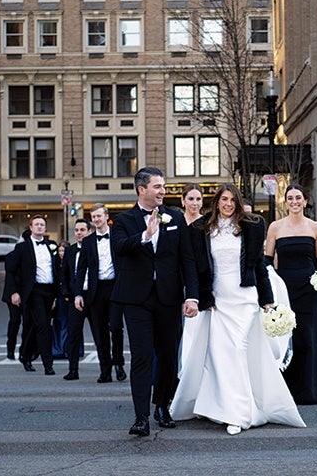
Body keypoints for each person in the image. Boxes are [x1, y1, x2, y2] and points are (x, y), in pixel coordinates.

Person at [171, 183, 305, 435]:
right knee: (219, 355)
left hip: (244, 299)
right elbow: (193, 267)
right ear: (216, 202)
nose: (228, 204)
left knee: (237, 350)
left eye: (232, 199)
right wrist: (197, 298)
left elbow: (259, 266)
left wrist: (267, 301)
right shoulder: (200, 229)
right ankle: (222, 407)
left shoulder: (253, 226)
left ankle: (239, 413)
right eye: (224, 199)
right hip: (218, 299)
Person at [111, 167, 199, 437]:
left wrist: (191, 295)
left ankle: (162, 404)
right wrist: (146, 235)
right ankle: (141, 417)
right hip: (136, 299)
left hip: (168, 297)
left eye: (163, 186)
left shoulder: (175, 217)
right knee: (141, 356)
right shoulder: (124, 220)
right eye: (158, 187)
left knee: (168, 355)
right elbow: (121, 247)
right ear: (142, 190)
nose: (163, 191)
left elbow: (187, 259)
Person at [264, 184, 317, 405]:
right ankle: (285, 392)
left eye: (298, 197)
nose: (294, 201)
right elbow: (267, 260)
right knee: (284, 337)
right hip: (283, 288)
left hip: (309, 290)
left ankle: (310, 391)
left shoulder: (315, 227)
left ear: (304, 201)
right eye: (290, 197)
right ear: (285, 201)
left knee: (308, 338)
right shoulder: (275, 227)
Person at [72, 204, 127, 383]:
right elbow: (81, 270)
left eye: (98, 216)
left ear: (106, 216)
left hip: (116, 288)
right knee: (99, 332)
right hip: (96, 291)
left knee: (116, 328)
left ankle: (119, 363)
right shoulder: (88, 241)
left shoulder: (117, 236)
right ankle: (105, 370)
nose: (96, 219)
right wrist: (78, 293)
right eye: (93, 217)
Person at [7, 215, 61, 375]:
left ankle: (25, 355)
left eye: (42, 224)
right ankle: (48, 364)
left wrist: (57, 295)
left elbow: (56, 270)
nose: (39, 227)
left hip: (49, 291)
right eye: (36, 224)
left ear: (45, 228)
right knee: (43, 326)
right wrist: (14, 292)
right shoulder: (22, 248)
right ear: (30, 227)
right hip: (33, 292)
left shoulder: (51, 246)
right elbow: (11, 270)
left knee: (33, 326)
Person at [62, 219, 92, 379]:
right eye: (76, 230)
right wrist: (67, 294)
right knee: (73, 334)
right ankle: (73, 370)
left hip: (93, 297)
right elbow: (65, 274)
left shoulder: (94, 248)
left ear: (89, 231)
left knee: (100, 336)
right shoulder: (70, 251)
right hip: (75, 298)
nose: (79, 233)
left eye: (82, 229)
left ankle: (107, 370)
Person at [50, 242, 71, 360]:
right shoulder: (55, 263)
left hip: (69, 297)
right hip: (59, 297)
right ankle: (59, 349)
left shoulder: (71, 262)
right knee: (60, 323)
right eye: (60, 251)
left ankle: (69, 349)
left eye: (63, 251)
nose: (61, 253)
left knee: (70, 324)